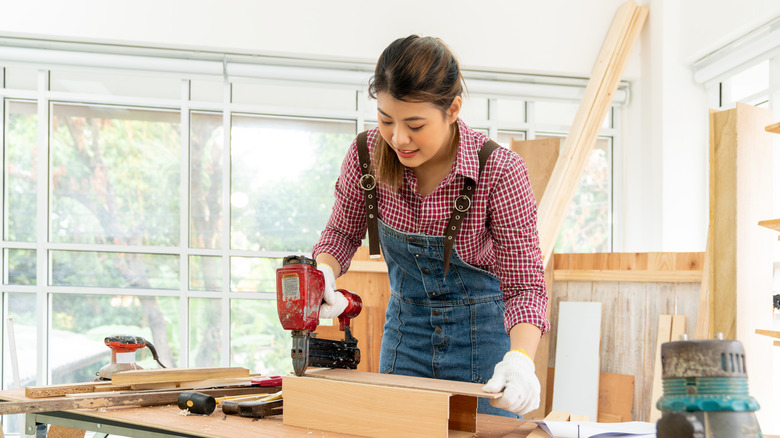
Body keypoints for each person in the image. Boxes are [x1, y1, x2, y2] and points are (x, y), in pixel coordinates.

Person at [312, 34, 549, 417]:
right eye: (386, 120)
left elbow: (526, 285)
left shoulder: (500, 171)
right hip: (406, 341)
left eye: (415, 124)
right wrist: (325, 271)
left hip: (484, 346)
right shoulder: (365, 157)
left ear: (452, 109)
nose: (398, 138)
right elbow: (341, 233)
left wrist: (520, 360)